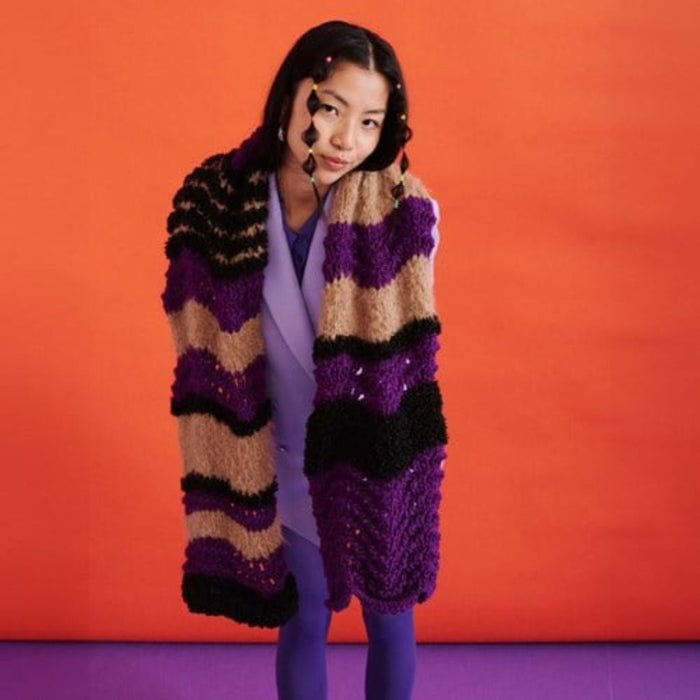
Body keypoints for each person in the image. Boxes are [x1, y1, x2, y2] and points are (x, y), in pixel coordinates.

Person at [160, 19, 448, 700]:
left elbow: (397, 358)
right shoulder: (218, 202)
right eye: (332, 109)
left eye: (370, 122)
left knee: (390, 617)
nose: (348, 139)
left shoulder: (405, 216)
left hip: (373, 449)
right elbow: (194, 320)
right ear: (292, 95)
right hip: (270, 451)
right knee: (303, 617)